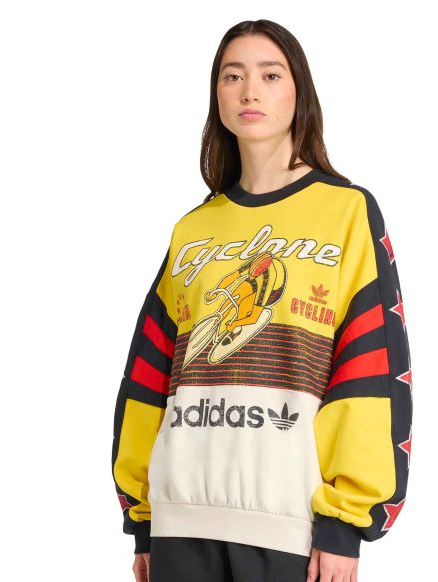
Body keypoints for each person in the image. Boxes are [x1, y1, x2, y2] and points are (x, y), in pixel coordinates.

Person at [111, 19, 413, 582]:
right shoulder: (192, 229)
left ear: (300, 93)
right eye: (233, 76)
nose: (250, 90)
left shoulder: (347, 212)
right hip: (180, 522)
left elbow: (369, 368)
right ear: (217, 96)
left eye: (270, 75)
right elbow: (150, 373)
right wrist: (143, 518)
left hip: (288, 526)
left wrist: (344, 523)